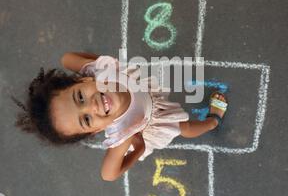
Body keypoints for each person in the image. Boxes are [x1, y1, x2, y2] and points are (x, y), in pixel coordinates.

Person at [13, 52, 228, 181]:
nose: (92, 106)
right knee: (187, 128)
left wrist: (94, 62)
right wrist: (139, 151)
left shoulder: (97, 72)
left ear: (82, 80)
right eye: (86, 119)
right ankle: (212, 122)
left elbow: (67, 58)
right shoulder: (124, 131)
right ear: (95, 130)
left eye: (79, 97)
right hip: (152, 119)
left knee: (75, 64)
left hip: (143, 90)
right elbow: (108, 174)